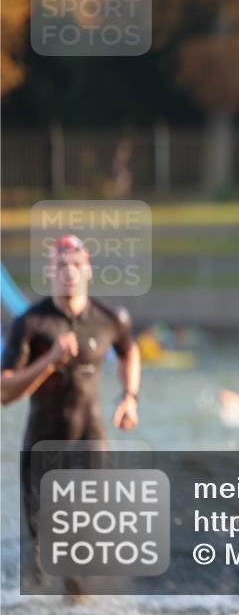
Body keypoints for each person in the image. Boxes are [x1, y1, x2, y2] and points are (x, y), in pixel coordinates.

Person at [1, 234, 142, 592]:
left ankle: (87, 600)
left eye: (76, 265)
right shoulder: (30, 323)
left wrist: (129, 396)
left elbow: (130, 351)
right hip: (41, 446)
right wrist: (49, 361)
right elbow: (5, 391)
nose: (69, 272)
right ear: (50, 270)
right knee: (40, 561)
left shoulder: (110, 318)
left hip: (90, 440)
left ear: (88, 269)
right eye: (61, 266)